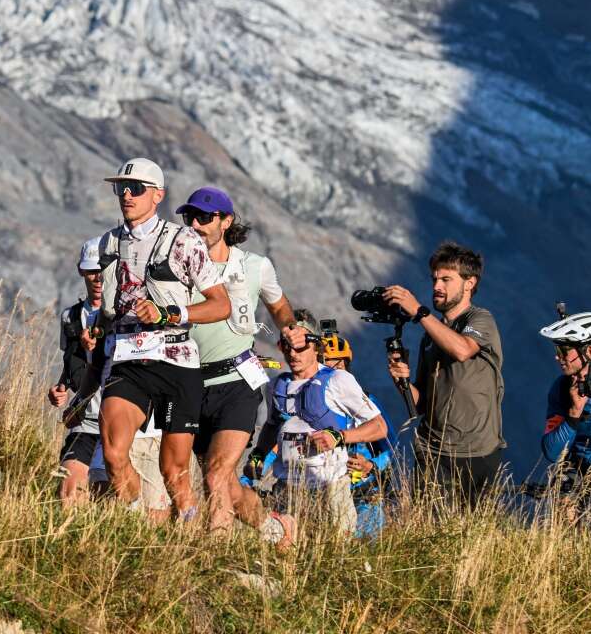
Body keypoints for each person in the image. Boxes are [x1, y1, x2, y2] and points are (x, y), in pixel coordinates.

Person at [89, 157, 231, 519]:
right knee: (114, 453)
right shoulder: (108, 242)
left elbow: (221, 305)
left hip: (176, 362)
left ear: (158, 196)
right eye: (121, 188)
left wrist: (170, 314)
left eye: (136, 188)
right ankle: (137, 520)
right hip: (128, 360)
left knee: (174, 472)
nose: (126, 195)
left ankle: (188, 535)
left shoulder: (182, 240)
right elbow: (106, 299)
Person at [176, 187, 298, 531]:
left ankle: (218, 562)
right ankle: (274, 527)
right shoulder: (177, 264)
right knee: (223, 483)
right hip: (188, 383)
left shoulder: (255, 266)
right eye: (189, 217)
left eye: (204, 218)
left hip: (237, 381)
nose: (195, 225)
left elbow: (279, 307)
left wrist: (291, 332)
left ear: (226, 221)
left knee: (216, 474)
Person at [237, 316, 388, 542]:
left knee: (333, 556)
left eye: (300, 346)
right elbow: (272, 425)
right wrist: (258, 454)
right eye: (286, 346)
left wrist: (339, 436)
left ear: (315, 345)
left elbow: (379, 427)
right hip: (287, 488)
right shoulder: (278, 385)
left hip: (331, 488)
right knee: (284, 552)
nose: (293, 353)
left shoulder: (338, 380)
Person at [383, 241, 505, 506]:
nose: (437, 287)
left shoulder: (481, 320)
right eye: (434, 279)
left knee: (475, 538)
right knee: (428, 533)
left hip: (478, 451)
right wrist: (400, 380)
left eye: (446, 279)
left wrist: (418, 311)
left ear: (469, 283)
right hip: (433, 452)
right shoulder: (430, 337)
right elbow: (421, 404)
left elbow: (462, 349)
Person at [540, 309, 591, 515]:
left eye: (563, 351)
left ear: (590, 351)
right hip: (579, 467)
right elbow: (551, 452)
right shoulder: (560, 389)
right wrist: (574, 411)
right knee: (564, 496)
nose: (558, 358)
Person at [320, 332, 397, 538]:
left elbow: (391, 448)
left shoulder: (368, 402)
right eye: (326, 366)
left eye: (339, 365)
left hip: (364, 494)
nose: (335, 372)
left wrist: (371, 465)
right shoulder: (308, 404)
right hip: (321, 494)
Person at [47, 238, 106, 505]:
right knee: (68, 493)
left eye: (103, 270)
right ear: (82, 271)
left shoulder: (125, 315)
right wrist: (61, 387)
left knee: (107, 497)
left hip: (119, 421)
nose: (98, 277)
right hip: (83, 418)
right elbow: (70, 360)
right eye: (92, 271)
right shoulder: (69, 317)